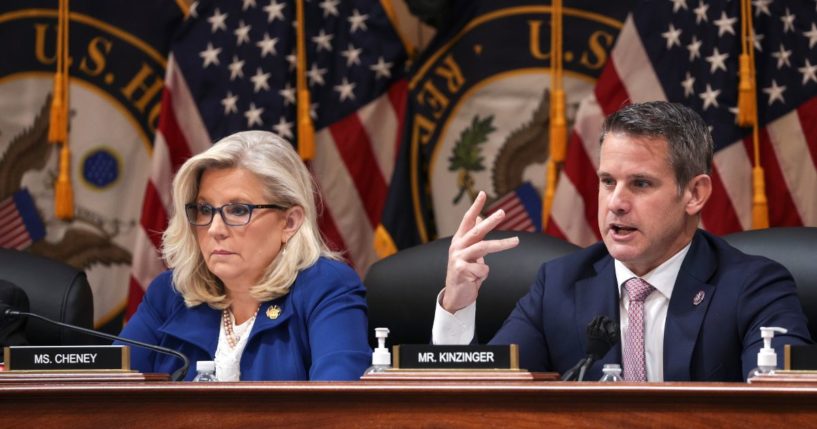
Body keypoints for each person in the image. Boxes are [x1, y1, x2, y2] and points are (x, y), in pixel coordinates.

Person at [433, 101, 811, 381]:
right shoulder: (560, 286)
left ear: (694, 194)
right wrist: (458, 305)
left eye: (640, 184)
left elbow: (781, 408)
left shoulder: (755, 288)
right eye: (608, 182)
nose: (616, 203)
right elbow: (482, 397)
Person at [119, 131, 370, 381]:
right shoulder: (171, 293)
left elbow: (339, 404)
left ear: (290, 222)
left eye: (238, 210)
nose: (215, 229)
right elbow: (106, 388)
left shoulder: (326, 287)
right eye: (205, 209)